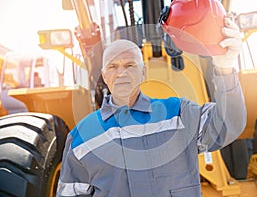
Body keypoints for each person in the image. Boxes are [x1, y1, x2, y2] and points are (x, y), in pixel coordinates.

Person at [56, 16, 246, 197]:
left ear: (143, 73)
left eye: (130, 65)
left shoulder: (178, 115)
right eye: (113, 67)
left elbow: (226, 124)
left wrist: (224, 67)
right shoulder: (82, 137)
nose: (121, 73)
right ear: (105, 77)